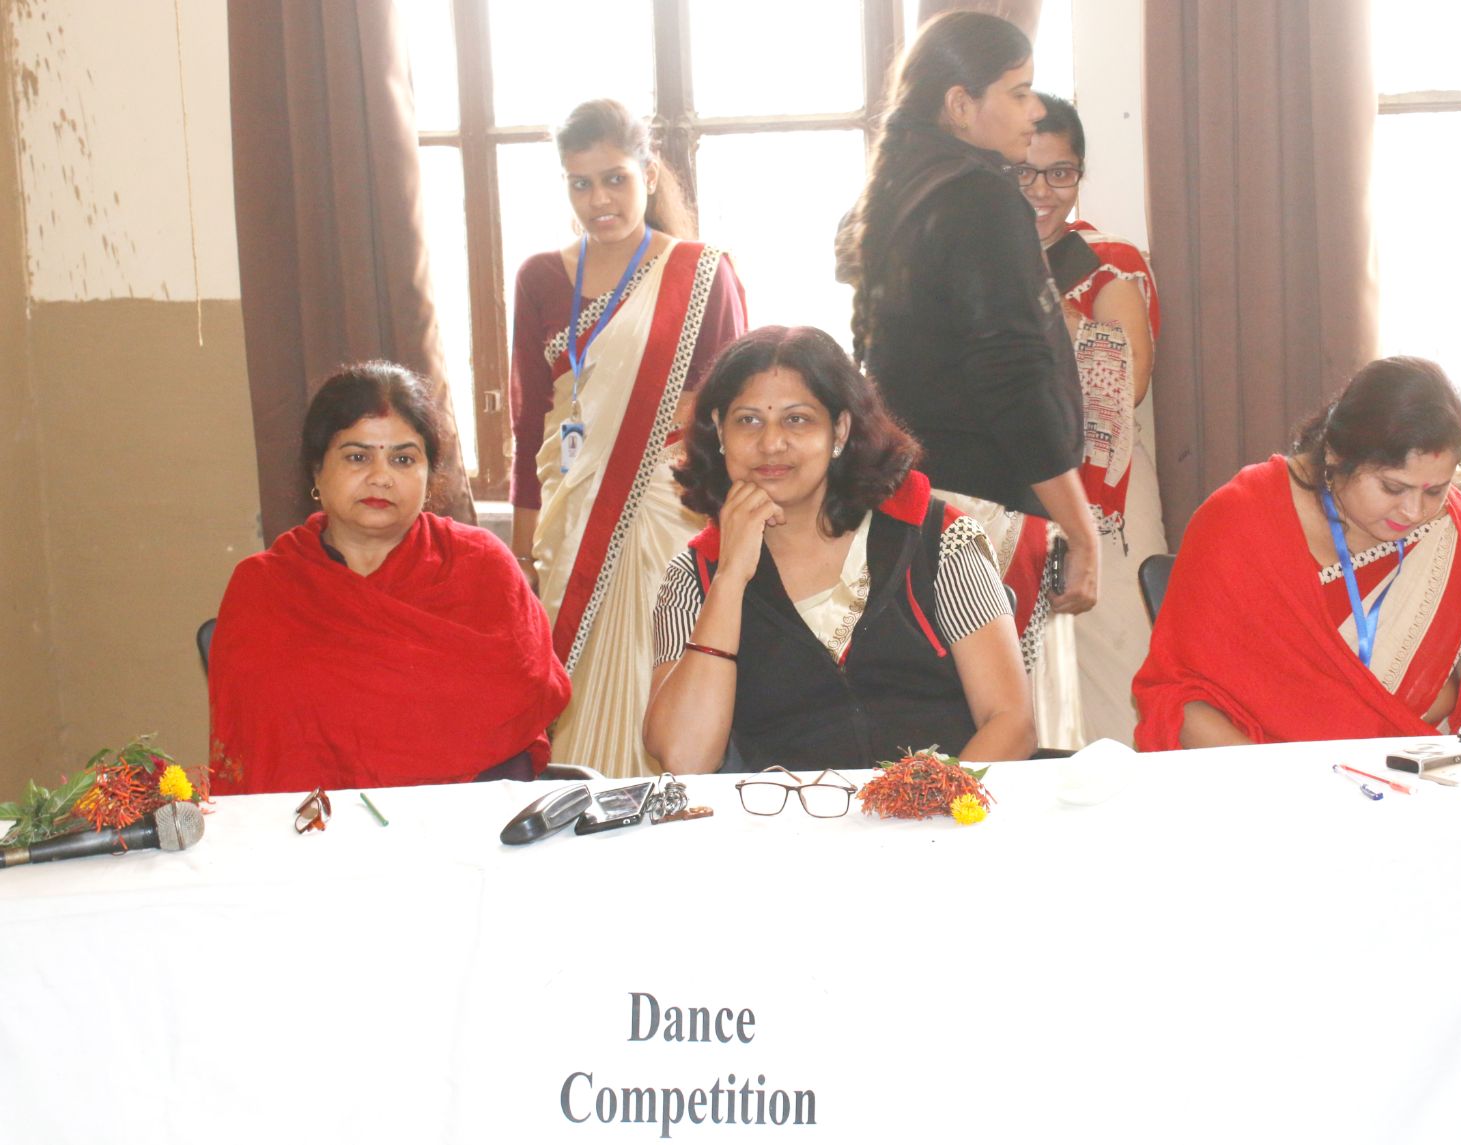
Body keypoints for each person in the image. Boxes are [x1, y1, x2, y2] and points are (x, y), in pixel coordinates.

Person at [837, 9, 1095, 749]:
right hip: (990, 516)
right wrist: (1080, 529)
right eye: (1018, 91)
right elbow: (1013, 378)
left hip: (920, 505)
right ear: (960, 105)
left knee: (945, 732)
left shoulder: (898, 191)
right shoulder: (982, 196)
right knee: (1011, 738)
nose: (1035, 109)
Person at [1132, 357, 1461, 763]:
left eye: (1435, 491)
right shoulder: (1240, 521)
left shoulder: (1460, 535)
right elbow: (1177, 696)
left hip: (1410, 779)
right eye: (1393, 488)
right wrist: (1284, 785)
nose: (1413, 512)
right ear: (1336, 455)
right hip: (1262, 778)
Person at [644, 326, 1033, 773]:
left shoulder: (938, 539)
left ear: (841, 430)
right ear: (719, 431)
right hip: (782, 814)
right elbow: (685, 758)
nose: (771, 443)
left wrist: (930, 803)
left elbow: (1011, 723)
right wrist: (730, 576)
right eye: (748, 420)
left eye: (797, 419)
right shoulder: (694, 576)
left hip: (945, 806)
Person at [507, 97, 747, 777]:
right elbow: (528, 422)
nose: (599, 200)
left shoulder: (701, 272)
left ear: (648, 172)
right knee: (572, 694)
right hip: (570, 521)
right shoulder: (540, 278)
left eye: (615, 178)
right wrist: (524, 553)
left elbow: (732, 419)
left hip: (673, 518)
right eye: (580, 183)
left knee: (664, 674)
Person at [209, 362, 571, 795]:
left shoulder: (481, 568)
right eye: (357, 457)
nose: (381, 477)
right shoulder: (264, 589)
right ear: (317, 470)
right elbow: (258, 750)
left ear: (429, 475)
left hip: (471, 820)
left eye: (403, 459)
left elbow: (522, 705)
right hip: (309, 828)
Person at [1020, 92, 1167, 746]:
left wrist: (1059, 320)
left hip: (1106, 499)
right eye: (1024, 172)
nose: (1042, 191)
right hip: (1013, 494)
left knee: (1120, 669)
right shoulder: (977, 261)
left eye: (1061, 172)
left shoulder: (1108, 262)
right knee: (1027, 686)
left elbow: (1128, 385)